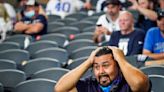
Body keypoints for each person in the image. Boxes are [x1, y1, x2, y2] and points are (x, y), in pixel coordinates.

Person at [55, 46, 150, 92]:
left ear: (118, 65)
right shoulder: (89, 85)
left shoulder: (129, 83)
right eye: (96, 67)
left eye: (105, 65)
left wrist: (121, 60)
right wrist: (88, 62)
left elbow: (139, 83)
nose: (101, 72)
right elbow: (59, 89)